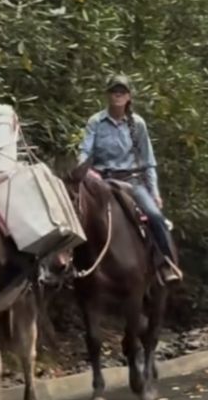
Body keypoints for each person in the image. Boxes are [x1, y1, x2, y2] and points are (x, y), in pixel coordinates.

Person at [78, 74, 182, 283]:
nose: (117, 96)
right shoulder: (96, 122)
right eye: (114, 92)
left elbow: (148, 161)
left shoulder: (137, 124)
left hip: (131, 182)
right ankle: (68, 268)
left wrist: (155, 193)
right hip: (101, 181)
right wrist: (84, 172)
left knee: (154, 216)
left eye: (122, 92)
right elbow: (85, 152)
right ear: (107, 95)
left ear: (129, 97)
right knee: (79, 213)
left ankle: (166, 264)